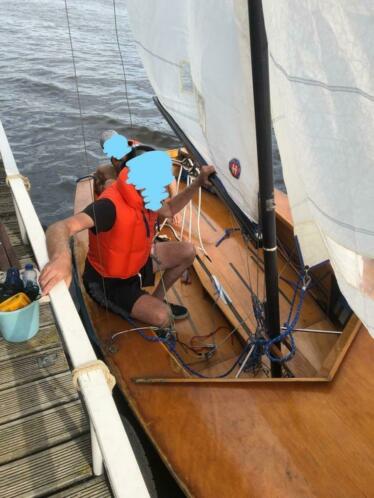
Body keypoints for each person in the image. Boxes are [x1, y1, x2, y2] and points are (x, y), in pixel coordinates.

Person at [40, 135, 215, 329]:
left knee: (188, 251)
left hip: (136, 264)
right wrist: (61, 258)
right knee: (163, 317)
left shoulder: (147, 195)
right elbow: (60, 227)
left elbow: (170, 209)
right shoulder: (108, 206)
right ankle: (153, 308)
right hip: (108, 283)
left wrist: (198, 182)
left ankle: (156, 299)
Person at [94, 130, 181, 225]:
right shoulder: (116, 160)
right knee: (103, 174)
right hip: (132, 186)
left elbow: (170, 179)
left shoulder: (140, 155)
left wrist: (175, 205)